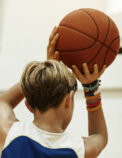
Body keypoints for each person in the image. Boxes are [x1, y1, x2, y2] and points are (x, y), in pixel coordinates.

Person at [0, 27, 108, 158]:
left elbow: (3, 102)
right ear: (68, 99)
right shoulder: (78, 149)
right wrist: (91, 88)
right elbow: (99, 136)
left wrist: (42, 72)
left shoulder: (10, 134)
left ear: (28, 104)